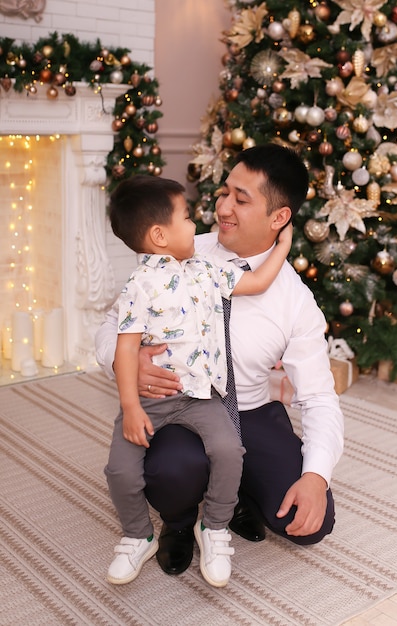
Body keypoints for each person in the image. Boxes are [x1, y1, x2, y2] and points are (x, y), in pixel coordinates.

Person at [96, 144, 344, 580]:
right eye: (224, 191)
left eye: (240, 199)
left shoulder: (295, 299)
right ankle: (178, 523)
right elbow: (112, 327)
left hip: (248, 411)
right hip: (181, 406)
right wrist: (127, 366)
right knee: (170, 470)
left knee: (309, 524)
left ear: (279, 218)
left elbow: (320, 397)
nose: (222, 206)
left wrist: (317, 477)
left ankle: (234, 495)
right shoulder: (177, 252)